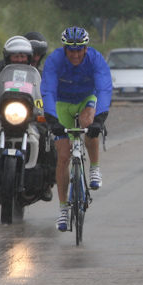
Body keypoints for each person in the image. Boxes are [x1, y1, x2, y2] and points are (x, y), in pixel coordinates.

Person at [41, 27, 112, 231]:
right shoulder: (55, 60)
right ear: (64, 49)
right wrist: (53, 120)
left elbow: (104, 89)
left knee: (88, 123)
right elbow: (47, 91)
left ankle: (94, 167)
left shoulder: (95, 59)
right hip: (62, 102)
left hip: (85, 99)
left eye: (79, 49)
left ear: (85, 48)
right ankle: (63, 208)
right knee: (63, 156)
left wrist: (100, 119)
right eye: (70, 50)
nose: (75, 54)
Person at [0, 36, 56, 199]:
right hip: (2, 117)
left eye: (23, 56)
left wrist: (45, 108)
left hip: (29, 118)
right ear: (8, 57)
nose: (20, 59)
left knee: (47, 139)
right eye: (16, 56)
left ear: (29, 57)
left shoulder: (36, 74)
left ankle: (47, 182)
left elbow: (45, 94)